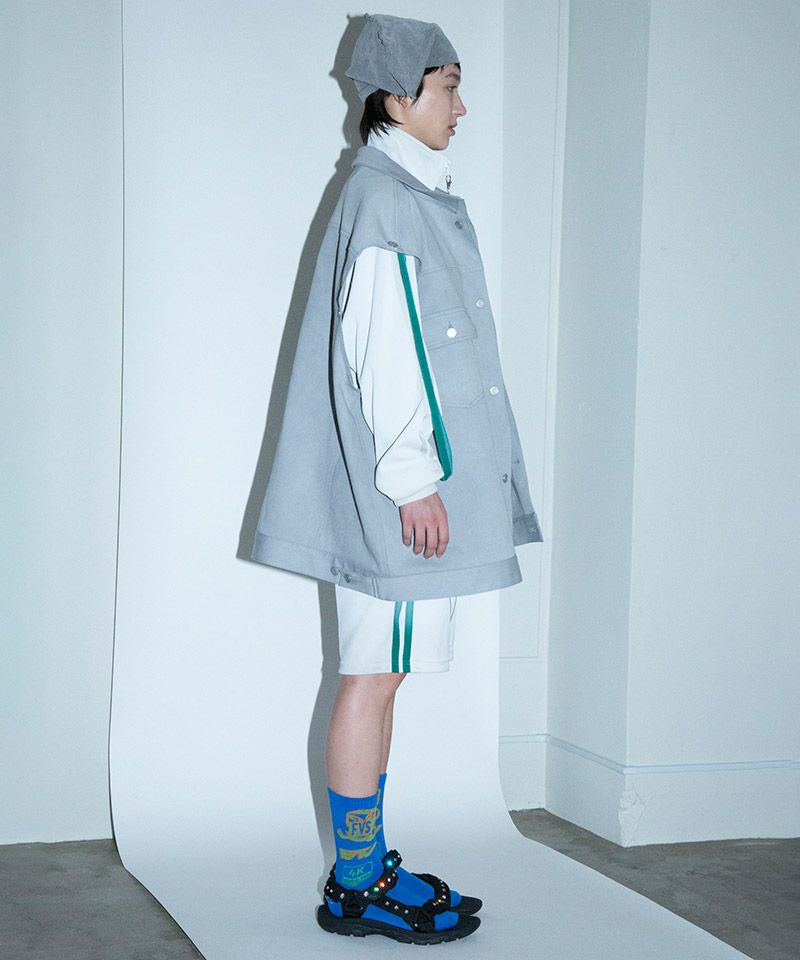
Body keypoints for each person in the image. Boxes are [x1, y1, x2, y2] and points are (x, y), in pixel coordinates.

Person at [249, 13, 543, 945]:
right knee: (372, 680)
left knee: (377, 677)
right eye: (448, 86)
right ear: (396, 96)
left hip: (403, 489)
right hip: (402, 496)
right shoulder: (387, 202)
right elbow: (386, 348)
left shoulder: (399, 195)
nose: (462, 105)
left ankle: (363, 871)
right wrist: (414, 479)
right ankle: (358, 883)